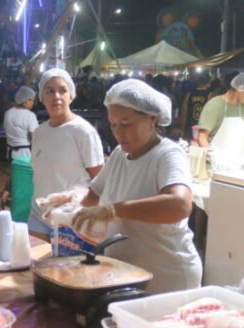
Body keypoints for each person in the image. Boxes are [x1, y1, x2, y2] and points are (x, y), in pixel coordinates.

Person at [60, 79, 201, 293]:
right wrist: (69, 200)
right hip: (126, 273)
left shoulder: (167, 154)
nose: (118, 132)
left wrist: (113, 210)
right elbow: (95, 195)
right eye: (113, 124)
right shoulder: (119, 154)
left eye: (126, 124)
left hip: (166, 276)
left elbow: (179, 205)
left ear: (152, 119)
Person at [28, 68, 104, 240]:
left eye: (62, 90)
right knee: (34, 264)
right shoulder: (39, 132)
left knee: (62, 267)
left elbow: (100, 180)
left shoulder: (83, 131)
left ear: (71, 95)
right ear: (42, 97)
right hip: (38, 216)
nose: (56, 96)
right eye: (50, 91)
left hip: (69, 219)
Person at [2, 86, 38, 160]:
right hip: (25, 153)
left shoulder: (8, 113)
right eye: (30, 100)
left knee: (14, 171)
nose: (33, 103)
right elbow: (34, 136)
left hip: (11, 153)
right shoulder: (30, 115)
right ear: (24, 101)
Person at [179, 72, 213, 140]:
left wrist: (182, 130)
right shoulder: (210, 95)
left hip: (190, 128)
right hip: (203, 128)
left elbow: (183, 114)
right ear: (209, 82)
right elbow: (211, 115)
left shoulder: (189, 94)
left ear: (197, 81)